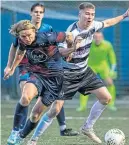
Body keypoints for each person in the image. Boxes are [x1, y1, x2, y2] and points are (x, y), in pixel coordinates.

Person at [25, 2, 129, 145]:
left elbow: (108, 22)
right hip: (67, 74)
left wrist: (124, 15)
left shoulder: (94, 26)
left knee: (106, 98)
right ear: (79, 14)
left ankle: (87, 127)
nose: (90, 17)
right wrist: (73, 47)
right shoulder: (71, 33)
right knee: (55, 109)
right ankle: (33, 140)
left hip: (84, 72)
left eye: (92, 14)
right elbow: (60, 52)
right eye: (87, 14)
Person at [4, 3, 78, 145]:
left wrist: (71, 50)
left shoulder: (48, 33)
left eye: (40, 12)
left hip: (53, 75)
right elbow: (18, 51)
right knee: (25, 98)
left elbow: (68, 37)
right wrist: (11, 67)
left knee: (39, 111)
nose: (26, 39)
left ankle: (28, 135)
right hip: (32, 69)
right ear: (30, 13)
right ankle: (15, 132)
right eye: (35, 12)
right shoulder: (22, 34)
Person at [76, 31, 117, 112]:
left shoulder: (107, 45)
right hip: (91, 66)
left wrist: (112, 70)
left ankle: (111, 104)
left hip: (103, 66)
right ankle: (82, 106)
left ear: (102, 37)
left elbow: (113, 58)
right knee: (85, 85)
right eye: (96, 37)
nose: (98, 39)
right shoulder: (88, 44)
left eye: (99, 37)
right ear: (93, 38)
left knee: (110, 83)